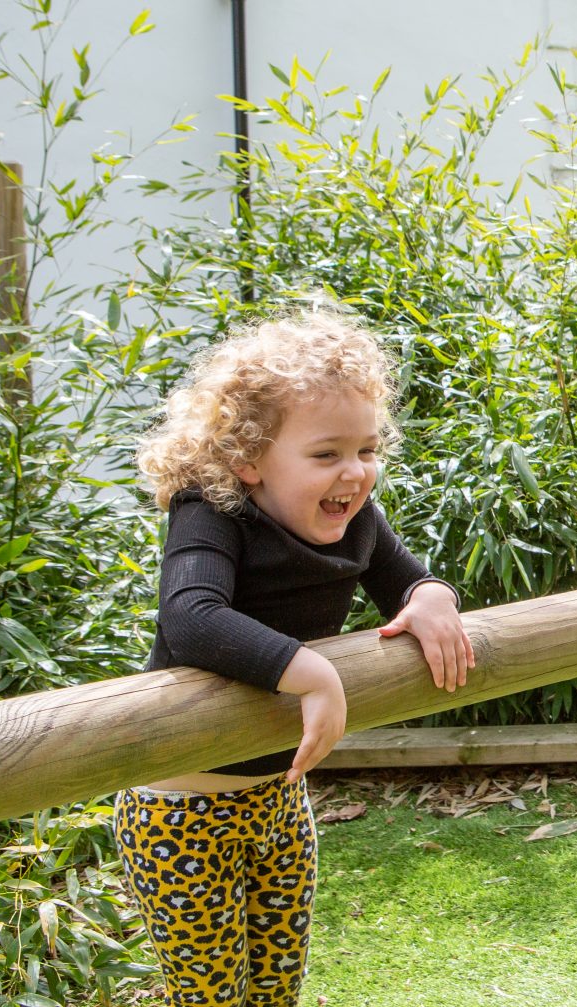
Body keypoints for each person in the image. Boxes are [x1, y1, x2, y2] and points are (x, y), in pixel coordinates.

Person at [119, 311, 474, 1005]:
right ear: (248, 457)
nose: (355, 472)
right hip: (181, 807)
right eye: (326, 454)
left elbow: (408, 578)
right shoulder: (212, 511)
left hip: (278, 800)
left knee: (277, 988)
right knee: (211, 996)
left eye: (367, 449)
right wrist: (311, 671)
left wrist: (433, 595)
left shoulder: (357, 520)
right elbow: (190, 617)